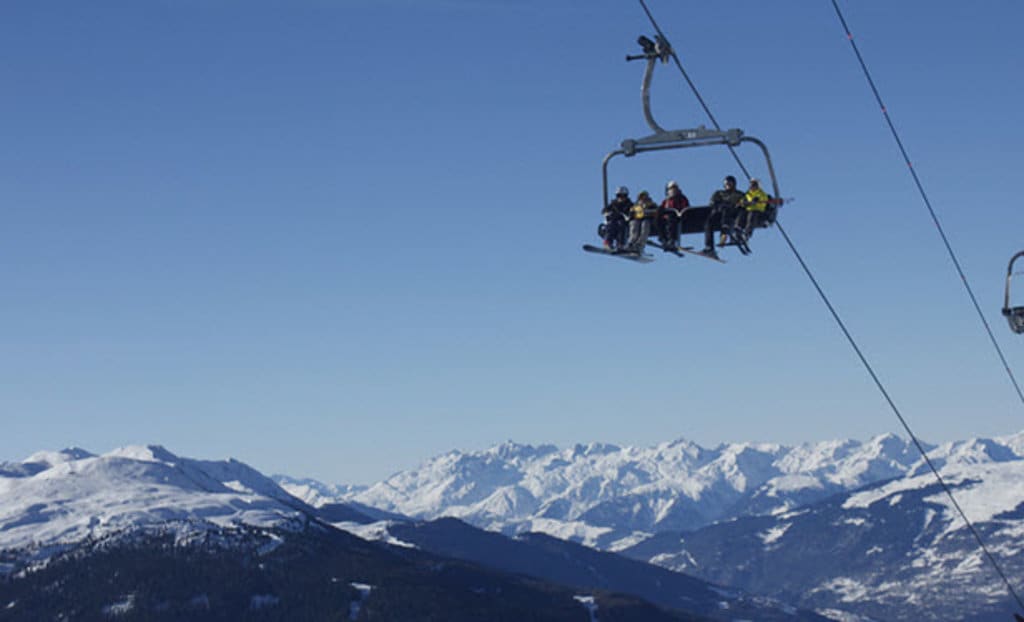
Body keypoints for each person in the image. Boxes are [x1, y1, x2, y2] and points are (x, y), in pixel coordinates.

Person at [702, 175, 745, 257]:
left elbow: (745, 201)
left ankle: (724, 234)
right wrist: (718, 205)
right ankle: (709, 247)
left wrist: (740, 204)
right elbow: (712, 202)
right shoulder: (719, 193)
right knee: (708, 223)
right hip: (718, 213)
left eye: (730, 184)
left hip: (732, 214)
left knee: (726, 212)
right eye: (726, 184)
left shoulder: (739, 194)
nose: (728, 185)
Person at [657, 180, 689, 251]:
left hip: (677, 218)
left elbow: (685, 207)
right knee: (658, 220)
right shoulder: (666, 200)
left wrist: (678, 212)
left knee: (671, 220)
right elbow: (662, 208)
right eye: (671, 188)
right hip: (667, 219)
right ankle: (663, 239)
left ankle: (672, 240)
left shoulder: (681, 198)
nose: (673, 190)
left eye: (674, 188)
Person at [601, 186, 631, 250]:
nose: (621, 198)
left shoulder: (629, 204)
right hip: (613, 221)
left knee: (621, 225)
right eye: (619, 195)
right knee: (610, 225)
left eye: (623, 196)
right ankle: (608, 243)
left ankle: (621, 244)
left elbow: (630, 213)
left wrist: (625, 215)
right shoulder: (613, 204)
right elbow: (604, 211)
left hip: (624, 223)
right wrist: (607, 213)